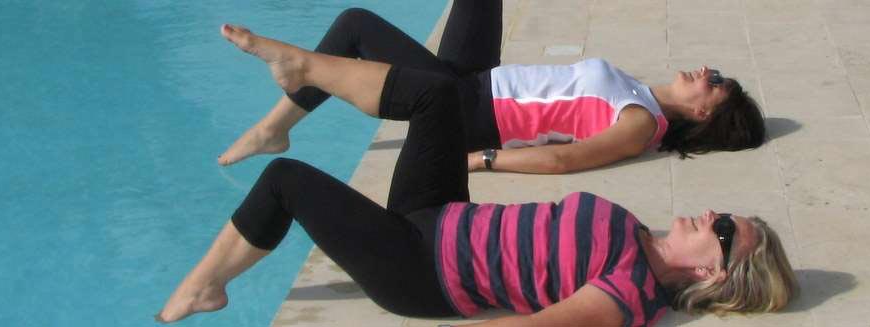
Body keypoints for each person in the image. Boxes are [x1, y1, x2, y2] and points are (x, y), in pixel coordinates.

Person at [156, 22, 797, 326]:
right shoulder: (633, 233)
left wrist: (485, 156)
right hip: (442, 215)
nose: (708, 214)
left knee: (287, 182)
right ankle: (304, 73)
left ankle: (200, 291)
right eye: (722, 214)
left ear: (713, 272)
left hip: (423, 270)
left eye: (720, 228)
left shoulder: (630, 294)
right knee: (433, 96)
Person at [215, 0, 766, 174]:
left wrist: (480, 161)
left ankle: (273, 127)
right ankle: (276, 122)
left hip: (473, 112)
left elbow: (565, 161)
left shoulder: (642, 123)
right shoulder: (641, 95)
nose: (707, 72)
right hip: (480, 83)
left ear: (703, 117)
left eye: (716, 84)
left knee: (356, 25)